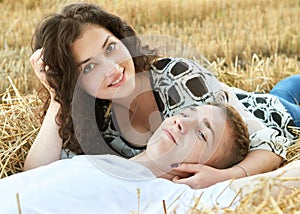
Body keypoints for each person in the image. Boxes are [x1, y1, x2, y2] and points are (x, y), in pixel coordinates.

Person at [24, 2, 299, 189]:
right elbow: (35, 178)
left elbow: (269, 142)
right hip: (261, 97)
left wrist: (223, 178)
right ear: (76, 83)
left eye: (110, 48)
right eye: (90, 67)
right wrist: (58, 97)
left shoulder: (177, 78)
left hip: (278, 113)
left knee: (286, 90)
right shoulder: (100, 127)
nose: (113, 69)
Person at [0, 107, 298, 212]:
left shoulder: (170, 198)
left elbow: (283, 181)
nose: (182, 123)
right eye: (185, 114)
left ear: (203, 170)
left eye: (203, 134)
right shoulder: (94, 158)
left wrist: (230, 175)